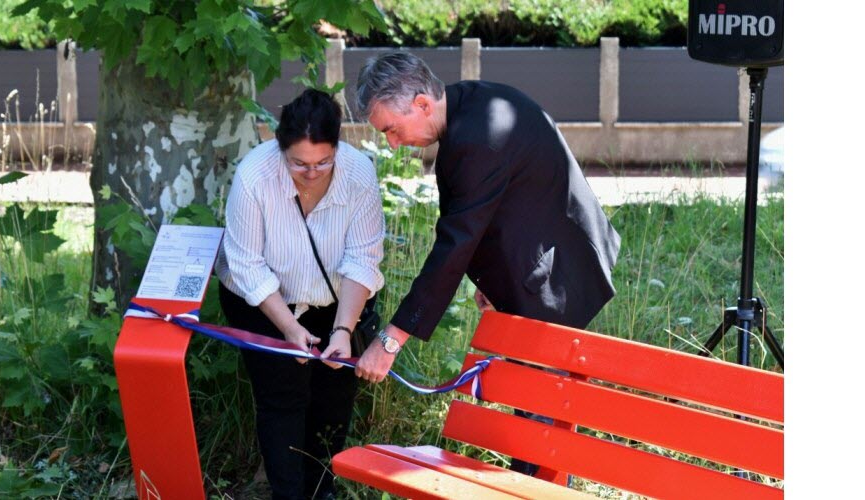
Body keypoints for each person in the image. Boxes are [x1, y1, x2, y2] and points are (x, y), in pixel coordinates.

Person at [352, 52, 621, 477]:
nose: (393, 143)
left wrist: (390, 341)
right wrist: (495, 277)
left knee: (538, 423)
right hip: (546, 261)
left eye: (392, 129)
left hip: (558, 276)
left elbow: (452, 248)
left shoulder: (476, 138)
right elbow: (503, 205)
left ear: (422, 104)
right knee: (536, 412)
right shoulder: (476, 104)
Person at [214, 89, 385, 500]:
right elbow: (247, 265)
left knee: (335, 395)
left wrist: (344, 331)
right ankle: (287, 495)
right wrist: (290, 327)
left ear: (337, 147)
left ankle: (321, 488)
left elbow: (363, 259)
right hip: (262, 301)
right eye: (299, 163)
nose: (312, 172)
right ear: (280, 148)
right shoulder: (255, 176)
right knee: (282, 396)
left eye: (323, 161)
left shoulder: (359, 174)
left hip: (338, 302)